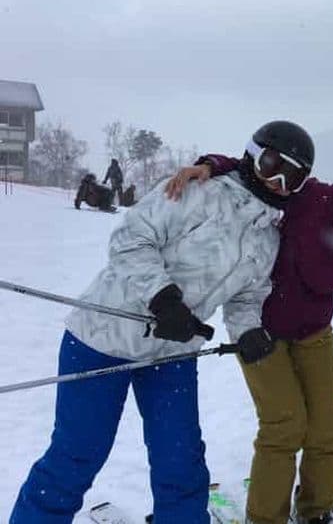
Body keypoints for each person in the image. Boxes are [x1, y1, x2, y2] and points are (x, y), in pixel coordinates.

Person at [10, 120, 310, 523]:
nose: (277, 181)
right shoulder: (195, 191)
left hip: (172, 353)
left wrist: (248, 330)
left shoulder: (267, 237)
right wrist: (162, 298)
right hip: (102, 338)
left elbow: (247, 296)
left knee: (180, 460)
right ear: (253, 155)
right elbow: (130, 239)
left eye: (291, 177)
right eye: (272, 164)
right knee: (77, 455)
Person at [166, 154, 333, 524]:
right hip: (258, 328)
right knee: (285, 424)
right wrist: (211, 165)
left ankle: (316, 511)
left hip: (314, 333)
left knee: (327, 428)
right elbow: (259, 173)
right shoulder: (316, 199)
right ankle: (265, 518)